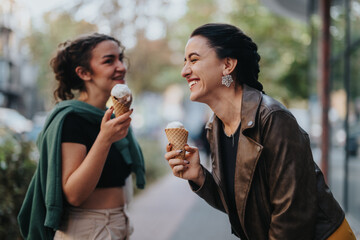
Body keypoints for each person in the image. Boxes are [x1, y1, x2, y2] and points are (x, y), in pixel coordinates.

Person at [164, 23, 356, 240]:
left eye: (194, 59)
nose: (184, 71)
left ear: (227, 65)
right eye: (185, 61)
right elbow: (243, 206)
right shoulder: (215, 127)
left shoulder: (273, 118)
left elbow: (292, 219)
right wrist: (199, 176)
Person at [18, 33, 145, 240]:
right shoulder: (71, 120)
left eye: (120, 58)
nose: (121, 66)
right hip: (88, 229)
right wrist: (104, 139)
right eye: (109, 61)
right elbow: (75, 194)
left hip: (117, 225)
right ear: (84, 73)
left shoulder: (111, 118)